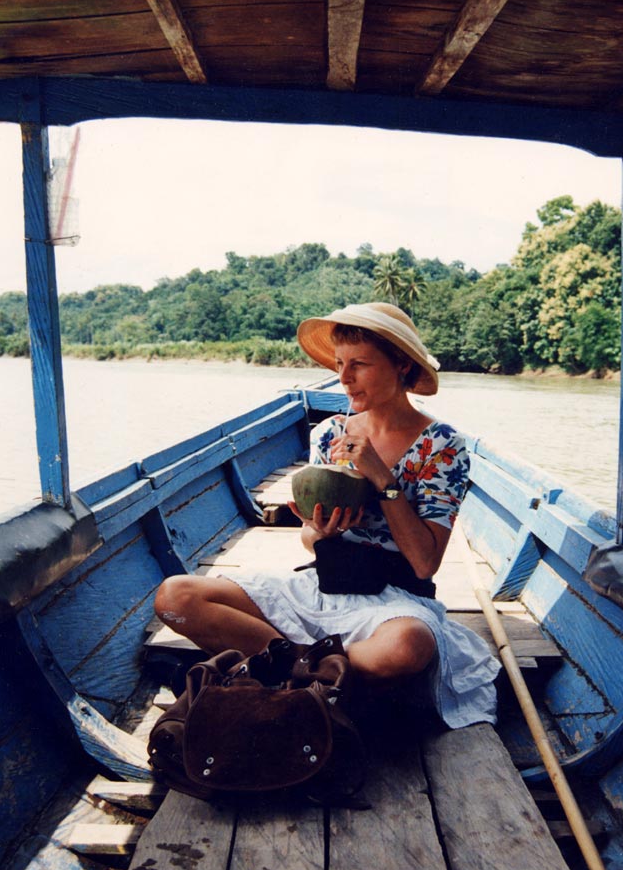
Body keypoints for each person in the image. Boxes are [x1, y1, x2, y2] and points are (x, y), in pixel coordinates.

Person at [153, 302, 498, 729]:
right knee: (176, 598)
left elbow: (425, 563)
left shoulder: (442, 446)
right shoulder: (331, 433)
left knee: (406, 648)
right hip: (325, 587)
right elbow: (309, 540)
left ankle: (285, 668)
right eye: (339, 364)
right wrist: (319, 531)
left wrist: (381, 478)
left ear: (402, 366)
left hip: (395, 603)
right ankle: (319, 674)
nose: (344, 377)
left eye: (360, 365)